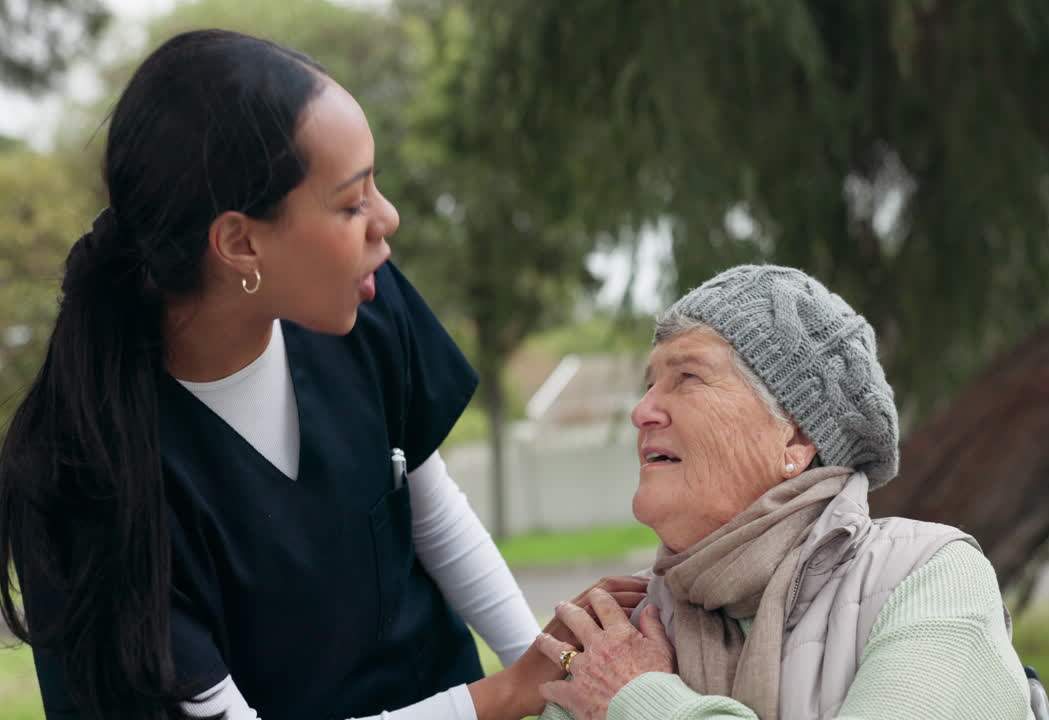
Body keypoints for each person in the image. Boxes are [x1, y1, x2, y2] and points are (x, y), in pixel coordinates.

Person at [0, 29, 644, 720]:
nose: (386, 219)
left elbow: (429, 507)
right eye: (351, 202)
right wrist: (504, 695)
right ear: (239, 242)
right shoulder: (84, 479)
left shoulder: (362, 304)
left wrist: (556, 682)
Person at [530, 265, 1036, 720]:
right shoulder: (623, 634)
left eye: (686, 377)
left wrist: (638, 700)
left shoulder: (931, 578)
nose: (642, 411)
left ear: (795, 437)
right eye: (649, 385)